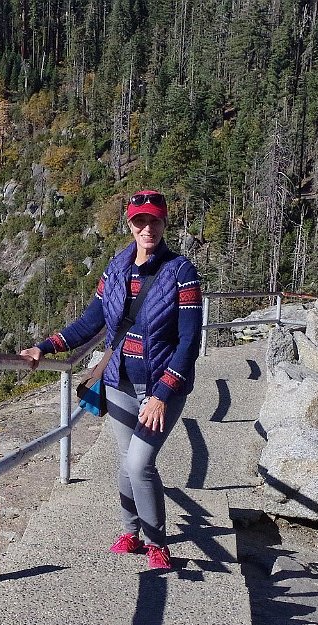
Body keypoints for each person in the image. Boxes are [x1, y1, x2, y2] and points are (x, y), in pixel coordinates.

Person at [19, 190, 202, 570]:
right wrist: (45, 347)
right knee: (124, 460)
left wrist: (163, 394)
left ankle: (156, 544)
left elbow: (189, 340)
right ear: (130, 225)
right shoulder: (115, 268)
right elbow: (91, 322)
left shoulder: (181, 272)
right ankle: (131, 532)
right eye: (140, 221)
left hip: (160, 387)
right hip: (119, 380)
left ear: (165, 223)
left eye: (154, 220)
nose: (147, 228)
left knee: (139, 464)